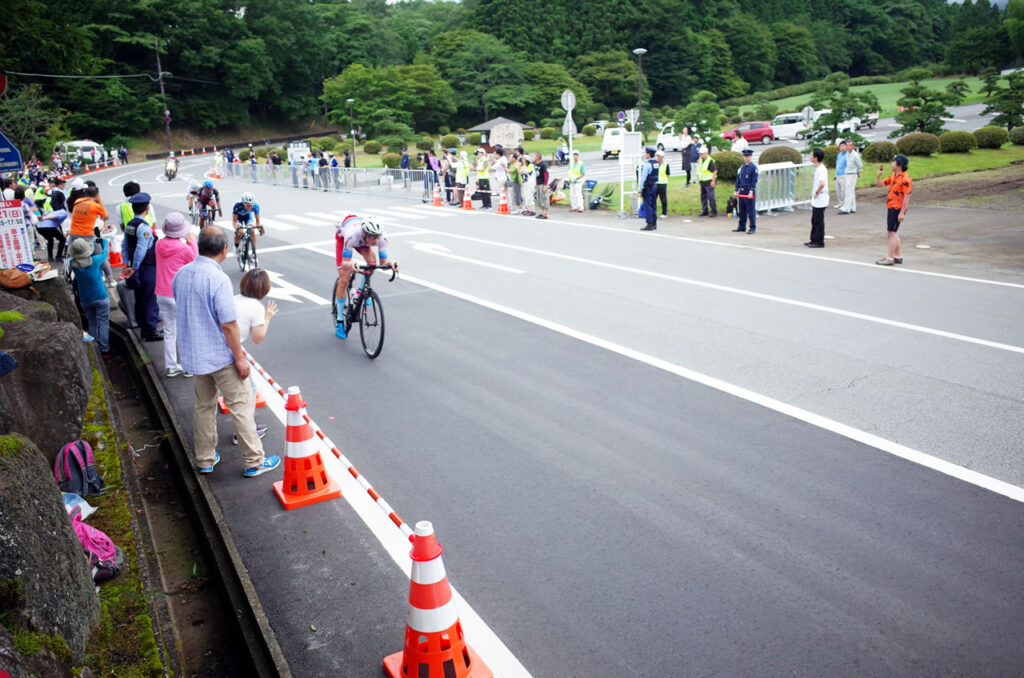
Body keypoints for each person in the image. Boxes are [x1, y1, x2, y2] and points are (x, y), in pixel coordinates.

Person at [172, 227, 281, 478]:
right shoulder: (217, 279)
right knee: (241, 407)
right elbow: (229, 324)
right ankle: (255, 461)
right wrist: (240, 358)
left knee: (204, 406)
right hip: (221, 357)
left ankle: (205, 459)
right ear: (224, 249)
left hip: (194, 356)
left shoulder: (181, 274)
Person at [332, 216, 399, 339]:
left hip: (362, 241)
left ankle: (361, 291)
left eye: (377, 236)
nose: (375, 241)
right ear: (364, 233)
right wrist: (350, 263)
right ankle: (340, 320)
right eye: (372, 237)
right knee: (344, 279)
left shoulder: (381, 239)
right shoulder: (351, 236)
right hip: (345, 238)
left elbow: (383, 262)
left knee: (372, 263)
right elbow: (344, 263)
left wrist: (390, 264)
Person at [232, 268, 278, 445]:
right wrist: (267, 317)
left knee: (244, 393)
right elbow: (258, 338)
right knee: (247, 393)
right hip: (231, 355)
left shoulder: (235, 298)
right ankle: (243, 435)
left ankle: (246, 429)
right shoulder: (256, 307)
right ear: (264, 289)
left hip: (221, 349)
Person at [155, 212, 198, 377]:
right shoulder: (184, 248)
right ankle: (187, 367)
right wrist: (192, 241)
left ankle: (172, 366)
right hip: (179, 294)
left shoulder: (158, 245)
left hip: (161, 293)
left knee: (169, 331)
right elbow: (195, 261)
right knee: (185, 330)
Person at [121, 192, 163, 341]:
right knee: (148, 299)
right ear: (147, 208)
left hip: (135, 266)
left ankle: (145, 329)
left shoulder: (130, 225)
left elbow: (125, 245)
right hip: (146, 267)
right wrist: (135, 266)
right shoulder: (144, 227)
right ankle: (151, 330)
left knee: (140, 298)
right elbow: (141, 249)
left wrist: (127, 264)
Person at [69, 238, 111, 358]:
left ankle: (94, 347)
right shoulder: (95, 261)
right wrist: (104, 242)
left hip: (85, 299)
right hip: (101, 296)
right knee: (103, 322)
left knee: (92, 322)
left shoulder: (73, 264)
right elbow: (104, 253)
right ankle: (105, 350)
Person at [874, 153, 912, 266]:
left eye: (894, 162)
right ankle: (897, 256)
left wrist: (902, 212)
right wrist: (878, 176)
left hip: (897, 208)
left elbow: (907, 196)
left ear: (899, 164)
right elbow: (880, 185)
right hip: (891, 206)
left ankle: (890, 258)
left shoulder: (905, 179)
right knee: (893, 232)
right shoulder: (893, 175)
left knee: (891, 233)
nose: (892, 163)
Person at [805, 148, 828, 248]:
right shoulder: (818, 168)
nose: (810, 157)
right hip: (817, 199)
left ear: (816, 157)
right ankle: (813, 239)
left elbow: (822, 183)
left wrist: (817, 192)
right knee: (814, 220)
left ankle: (819, 241)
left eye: (811, 155)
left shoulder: (821, 169)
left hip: (821, 198)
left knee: (819, 221)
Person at [733, 149, 758, 234]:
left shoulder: (753, 168)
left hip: (749, 191)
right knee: (742, 210)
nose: (746, 158)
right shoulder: (742, 167)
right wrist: (736, 190)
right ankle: (741, 226)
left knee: (750, 210)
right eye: (745, 156)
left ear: (751, 157)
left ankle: (752, 227)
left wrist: (751, 191)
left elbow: (753, 181)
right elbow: (738, 179)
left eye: (748, 156)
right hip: (742, 191)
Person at [638, 147, 660, 230]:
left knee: (648, 205)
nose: (645, 154)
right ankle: (654, 223)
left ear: (648, 154)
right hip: (655, 185)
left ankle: (649, 224)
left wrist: (640, 189)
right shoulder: (656, 163)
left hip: (648, 187)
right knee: (653, 205)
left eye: (646, 153)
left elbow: (643, 178)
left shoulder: (647, 164)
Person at [839, 141, 862, 214]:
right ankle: (852, 207)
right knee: (851, 191)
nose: (848, 147)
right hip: (848, 173)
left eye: (850, 145)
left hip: (852, 174)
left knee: (848, 191)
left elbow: (860, 165)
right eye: (847, 145)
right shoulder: (848, 154)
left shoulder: (855, 155)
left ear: (853, 146)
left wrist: (858, 171)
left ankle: (846, 209)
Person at [696, 146, 718, 217]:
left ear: (706, 153)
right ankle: (705, 210)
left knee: (711, 197)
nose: (701, 155)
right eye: (700, 154)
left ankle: (714, 211)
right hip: (703, 181)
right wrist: (699, 179)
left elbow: (714, 171)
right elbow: (700, 170)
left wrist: (713, 181)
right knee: (703, 196)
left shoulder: (709, 161)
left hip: (709, 181)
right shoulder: (701, 160)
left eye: (702, 154)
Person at [532, 152, 549, 219]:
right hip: (538, 183)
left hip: (542, 183)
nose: (534, 157)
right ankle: (542, 212)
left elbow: (546, 175)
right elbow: (536, 175)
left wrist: (545, 185)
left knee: (543, 197)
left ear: (538, 157)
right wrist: (536, 183)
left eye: (535, 156)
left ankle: (545, 213)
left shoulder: (543, 165)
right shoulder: (536, 165)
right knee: (539, 198)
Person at [654, 149, 670, 216]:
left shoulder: (666, 164)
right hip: (655, 183)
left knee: (663, 198)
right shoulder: (654, 164)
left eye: (660, 156)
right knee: (654, 198)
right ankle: (654, 212)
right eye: (657, 156)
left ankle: (664, 212)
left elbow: (668, 174)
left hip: (663, 183)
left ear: (663, 157)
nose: (658, 158)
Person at [834, 141, 848, 210]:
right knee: (838, 190)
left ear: (846, 146)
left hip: (844, 175)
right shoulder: (839, 154)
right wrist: (835, 174)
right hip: (837, 174)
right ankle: (840, 203)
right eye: (840, 146)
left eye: (843, 146)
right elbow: (837, 164)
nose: (841, 148)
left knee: (843, 191)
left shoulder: (848, 154)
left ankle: (845, 204)